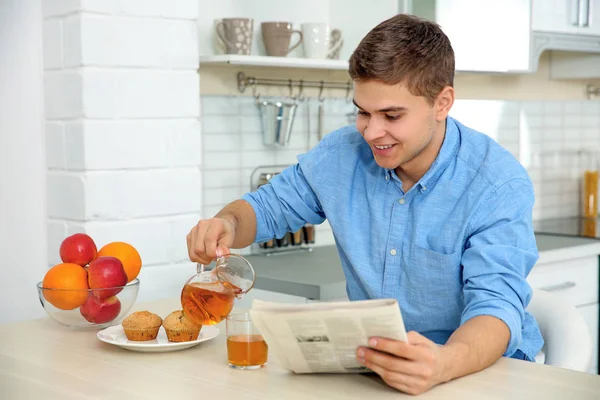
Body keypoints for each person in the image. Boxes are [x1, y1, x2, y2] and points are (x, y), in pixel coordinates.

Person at [187, 13, 543, 395]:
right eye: (362, 112)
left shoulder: (496, 183)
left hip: (471, 370)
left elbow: (495, 305)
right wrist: (228, 223)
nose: (372, 132)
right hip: (375, 369)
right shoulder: (342, 154)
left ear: (442, 103)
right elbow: (268, 208)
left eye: (392, 115)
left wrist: (444, 363)